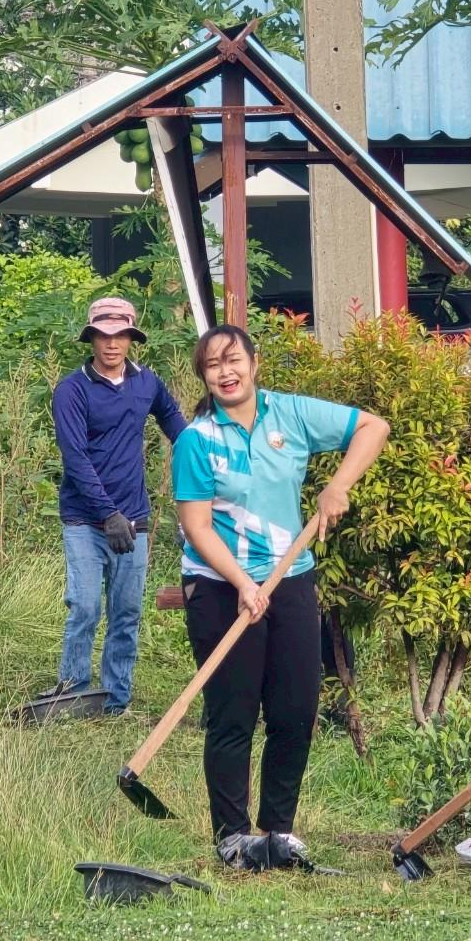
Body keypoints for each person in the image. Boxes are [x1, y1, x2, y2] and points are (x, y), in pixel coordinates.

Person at [172, 325, 389, 871]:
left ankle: (278, 832)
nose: (226, 372)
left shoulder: (289, 415)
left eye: (234, 360)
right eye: (213, 365)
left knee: (295, 708)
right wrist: (242, 583)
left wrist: (337, 484)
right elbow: (197, 526)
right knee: (233, 712)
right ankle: (232, 836)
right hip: (220, 586)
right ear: (204, 375)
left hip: (291, 577)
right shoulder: (196, 441)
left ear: (255, 362)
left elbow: (373, 427)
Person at [39, 297, 187, 715]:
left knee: (126, 613)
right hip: (86, 520)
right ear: (91, 339)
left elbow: (172, 418)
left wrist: (202, 452)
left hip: (134, 519)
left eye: (120, 335)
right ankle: (73, 692)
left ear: (131, 338)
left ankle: (115, 701)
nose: (111, 344)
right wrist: (108, 514)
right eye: (103, 336)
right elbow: (76, 458)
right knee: (85, 606)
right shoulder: (72, 390)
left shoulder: (147, 383)